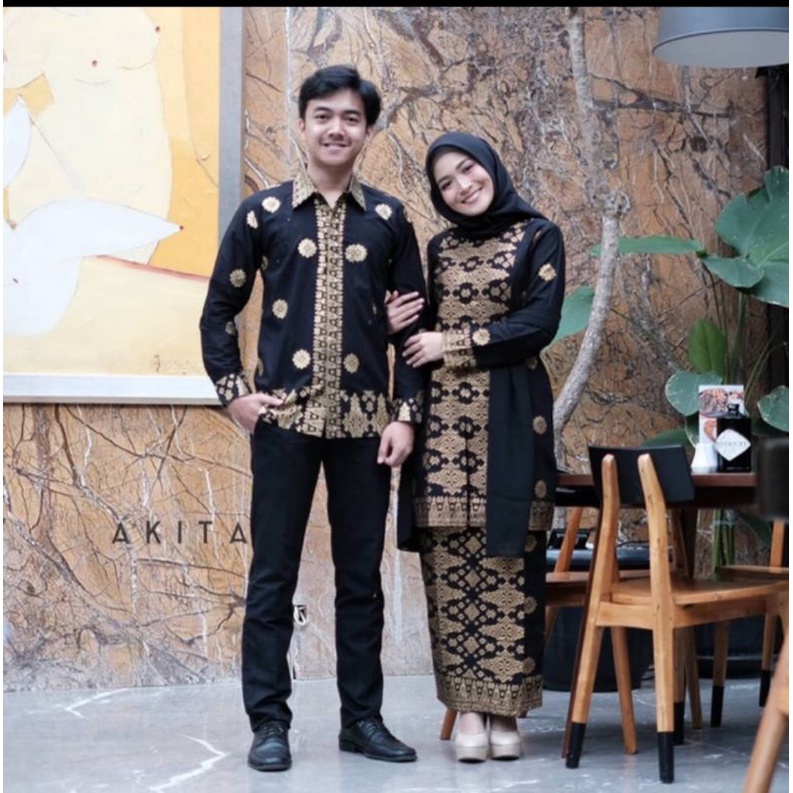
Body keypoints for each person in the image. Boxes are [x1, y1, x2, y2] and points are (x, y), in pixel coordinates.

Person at [199, 64, 428, 773]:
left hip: (366, 430)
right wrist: (235, 393)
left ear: (367, 130)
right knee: (273, 575)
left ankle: (362, 720)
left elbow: (414, 332)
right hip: (284, 425)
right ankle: (269, 722)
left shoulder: (389, 219)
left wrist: (405, 415)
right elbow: (218, 310)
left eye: (350, 118)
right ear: (301, 125)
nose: (336, 128)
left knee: (361, 580)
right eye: (323, 115)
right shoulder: (263, 214)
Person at [389, 131, 566, 763]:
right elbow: (414, 337)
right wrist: (405, 407)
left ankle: (506, 710)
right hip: (441, 433)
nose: (463, 186)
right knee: (450, 567)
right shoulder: (438, 249)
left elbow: (537, 324)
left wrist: (453, 344)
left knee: (509, 563)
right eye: (447, 182)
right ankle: (467, 709)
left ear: (490, 166)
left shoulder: (539, 236)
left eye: (468, 170)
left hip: (511, 422)